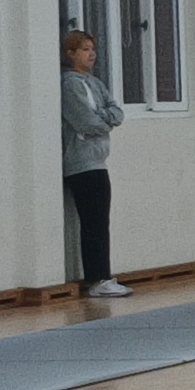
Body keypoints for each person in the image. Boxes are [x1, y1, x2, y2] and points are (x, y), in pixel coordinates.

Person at [60, 30, 132, 298]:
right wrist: (104, 121)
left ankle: (103, 275)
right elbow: (85, 121)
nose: (91, 54)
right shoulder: (70, 85)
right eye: (84, 49)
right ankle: (97, 279)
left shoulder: (95, 83)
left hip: (99, 161)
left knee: (101, 221)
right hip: (81, 163)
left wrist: (102, 117)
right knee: (93, 222)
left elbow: (117, 112)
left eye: (92, 49)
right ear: (70, 54)